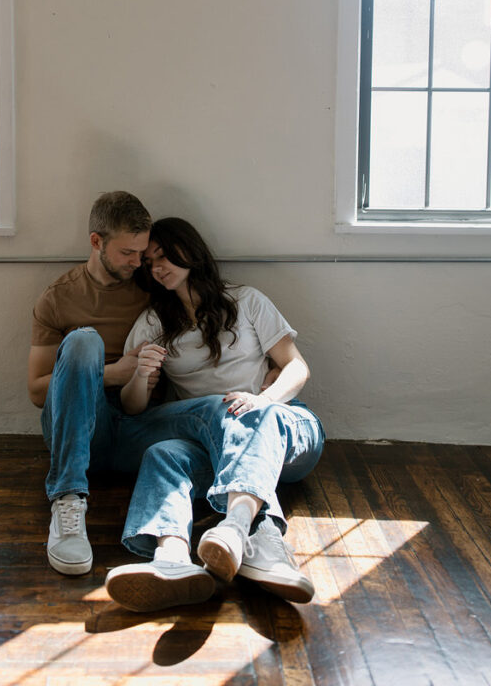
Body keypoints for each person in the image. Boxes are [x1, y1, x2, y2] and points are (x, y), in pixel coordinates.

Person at [29, 192, 264, 581]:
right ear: (96, 242)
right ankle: (67, 502)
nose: (140, 263)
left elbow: (200, 305)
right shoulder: (58, 298)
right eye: (128, 253)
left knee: (218, 406)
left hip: (140, 426)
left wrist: (268, 372)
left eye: (144, 253)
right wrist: (113, 373)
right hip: (82, 431)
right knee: (84, 341)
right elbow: (38, 391)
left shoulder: (153, 284)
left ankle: (249, 514)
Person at [104, 217, 325, 612]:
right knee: (164, 453)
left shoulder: (247, 300)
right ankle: (171, 560)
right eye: (150, 261)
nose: (157, 267)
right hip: (212, 444)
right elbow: (133, 408)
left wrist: (266, 400)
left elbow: (296, 367)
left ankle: (243, 531)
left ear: (191, 251)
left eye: (165, 255)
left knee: (249, 415)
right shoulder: (154, 322)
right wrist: (140, 374)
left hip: (283, 427)